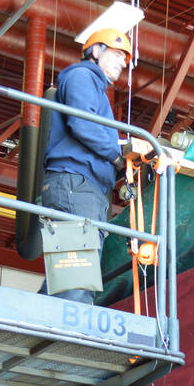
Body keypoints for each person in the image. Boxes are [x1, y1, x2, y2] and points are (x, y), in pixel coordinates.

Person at [39, 27, 133, 304]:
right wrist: (116, 156)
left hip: (82, 187)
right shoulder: (81, 76)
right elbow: (82, 124)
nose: (122, 63)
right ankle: (67, 337)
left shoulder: (97, 91)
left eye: (125, 58)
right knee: (75, 281)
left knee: (69, 276)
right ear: (96, 51)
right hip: (74, 183)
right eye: (117, 54)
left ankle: (40, 321)